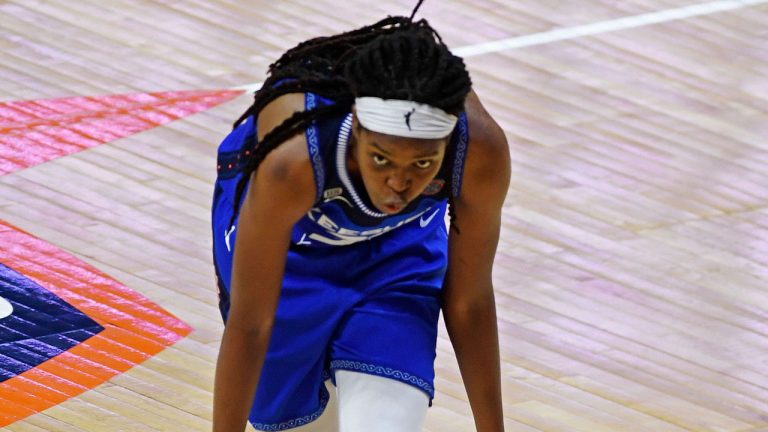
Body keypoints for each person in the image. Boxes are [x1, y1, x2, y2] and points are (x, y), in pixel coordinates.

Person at [211, 7, 509, 432]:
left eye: (423, 164)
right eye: (381, 159)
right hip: (292, 260)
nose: (398, 185)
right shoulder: (292, 163)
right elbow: (251, 322)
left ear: (446, 144)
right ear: (357, 131)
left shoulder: (479, 153)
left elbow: (470, 300)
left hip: (395, 257)